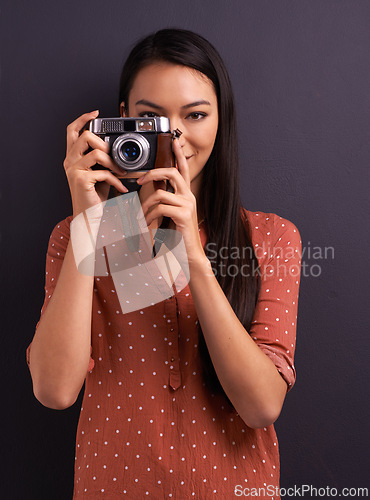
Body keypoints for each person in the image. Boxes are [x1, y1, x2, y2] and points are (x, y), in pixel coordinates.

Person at [26, 28, 302, 499]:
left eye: (195, 115)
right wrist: (89, 227)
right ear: (121, 124)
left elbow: (261, 406)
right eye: (150, 118)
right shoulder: (75, 237)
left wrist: (192, 255)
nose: (174, 136)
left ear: (222, 120)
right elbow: (55, 390)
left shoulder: (269, 238)